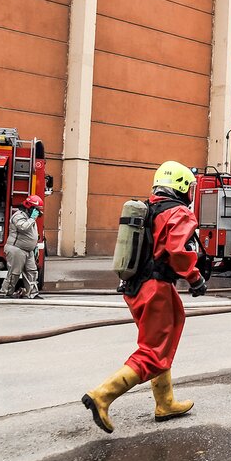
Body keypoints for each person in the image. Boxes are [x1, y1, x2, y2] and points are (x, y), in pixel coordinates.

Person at [82, 161, 207, 434]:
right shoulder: (179, 212)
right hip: (156, 288)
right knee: (152, 351)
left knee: (159, 342)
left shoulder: (147, 209)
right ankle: (103, 395)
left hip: (135, 288)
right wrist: (195, 277)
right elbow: (177, 249)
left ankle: (165, 402)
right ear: (183, 187)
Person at [0, 195, 43, 299]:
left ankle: (33, 294)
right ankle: (5, 294)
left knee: (32, 272)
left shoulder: (30, 217)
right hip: (17, 249)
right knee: (14, 273)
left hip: (29, 250)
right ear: (29, 207)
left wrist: (34, 245)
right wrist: (32, 219)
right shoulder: (18, 216)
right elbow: (23, 227)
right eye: (36, 209)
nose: (38, 212)